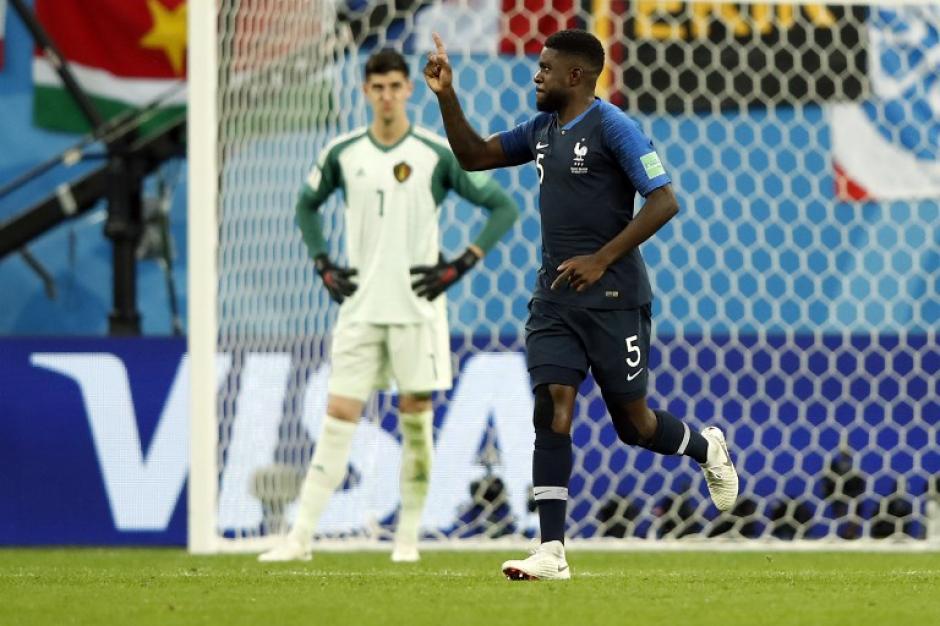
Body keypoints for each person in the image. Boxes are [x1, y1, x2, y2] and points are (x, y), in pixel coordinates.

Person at [424, 29, 739, 580]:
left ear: (576, 75)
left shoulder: (614, 126)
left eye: (545, 68)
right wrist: (447, 95)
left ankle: (705, 445)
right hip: (554, 300)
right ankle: (551, 550)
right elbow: (474, 157)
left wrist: (601, 258)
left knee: (635, 426)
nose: (535, 75)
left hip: (615, 300)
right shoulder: (541, 130)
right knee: (553, 406)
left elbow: (665, 201)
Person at [260, 48, 519, 563]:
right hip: (359, 309)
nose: (386, 95)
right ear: (365, 91)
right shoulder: (343, 152)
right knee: (338, 416)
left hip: (417, 311)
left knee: (415, 423)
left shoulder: (434, 152)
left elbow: (502, 206)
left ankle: (407, 537)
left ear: (408, 89)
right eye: (377, 87)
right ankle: (300, 538)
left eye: (395, 86)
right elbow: (306, 205)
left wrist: (461, 263)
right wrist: (321, 262)